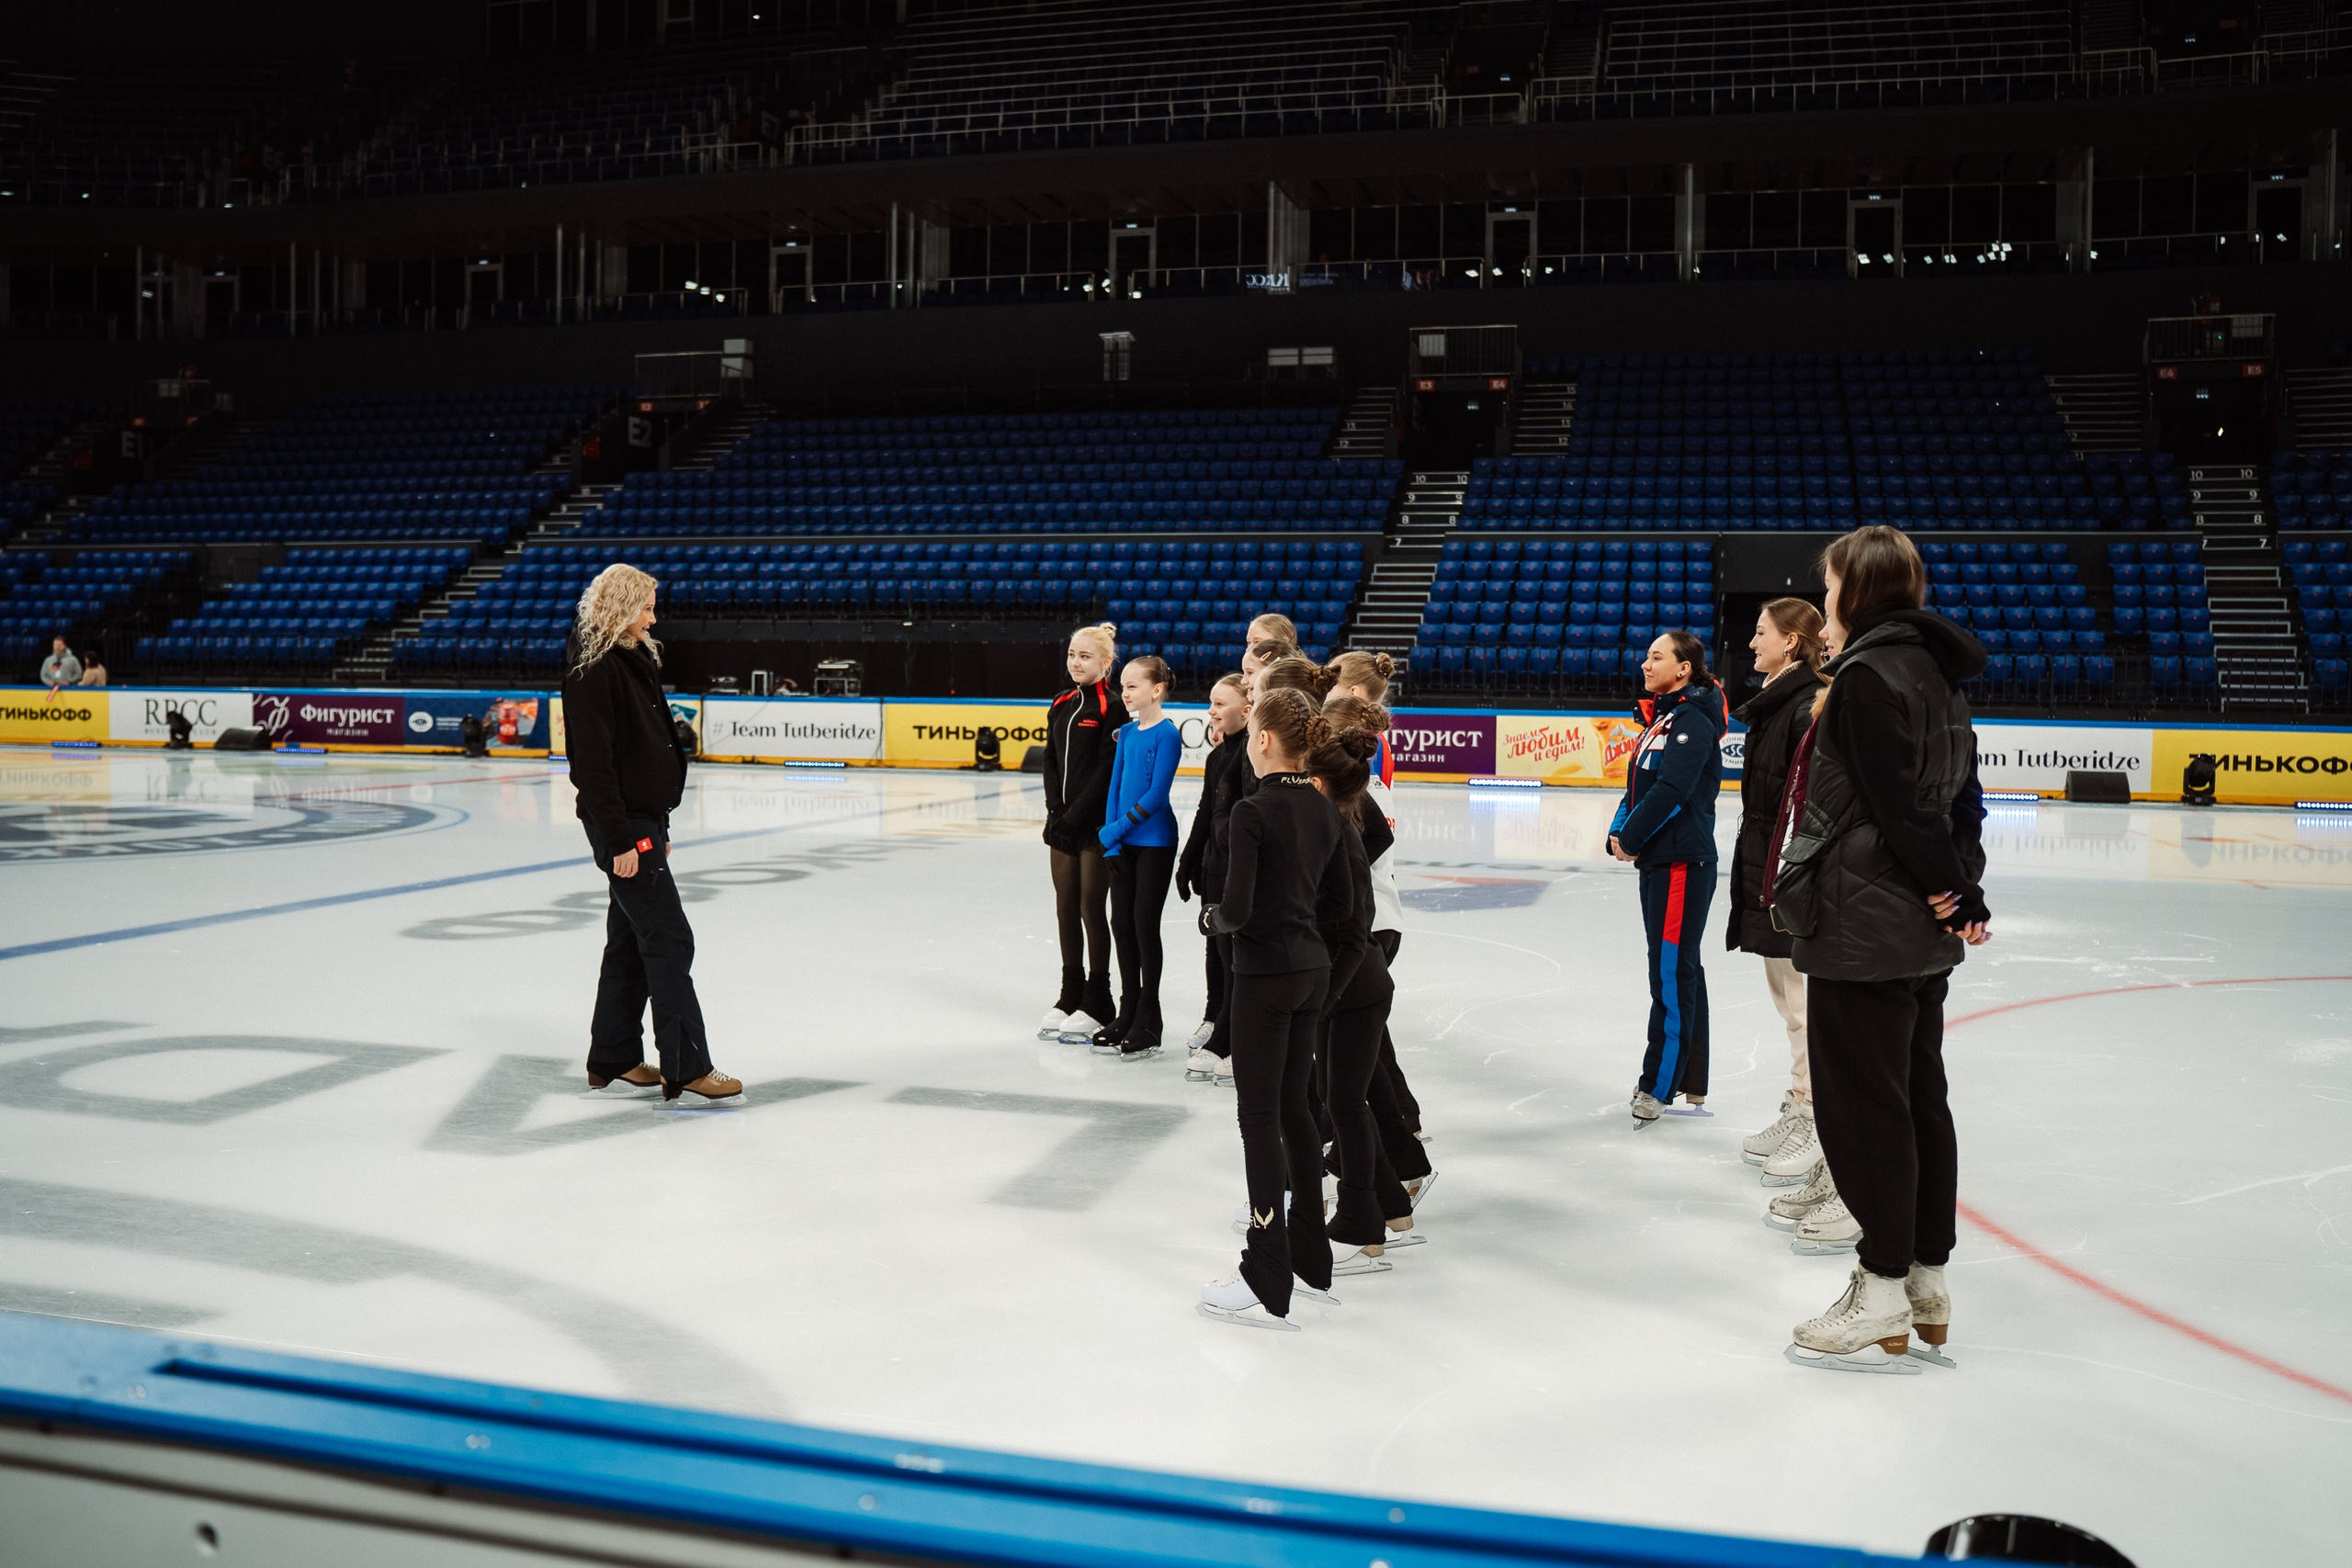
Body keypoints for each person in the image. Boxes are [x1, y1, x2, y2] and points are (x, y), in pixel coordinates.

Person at [1772, 526, 1989, 1375]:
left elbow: (1900, 807)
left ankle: (1883, 1283)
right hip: (1915, 926)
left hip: (1865, 922)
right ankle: (1926, 1280)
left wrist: (1949, 885)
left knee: (1865, 1109)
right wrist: (1958, 887)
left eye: (1828, 590)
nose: (1824, 604)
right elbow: (1961, 796)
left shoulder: (1865, 676)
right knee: (1918, 1097)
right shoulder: (1935, 668)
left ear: (1853, 592)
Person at [1196, 686, 1353, 1330]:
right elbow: (1342, 906)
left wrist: (1211, 918)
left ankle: (1264, 1269)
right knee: (1295, 1110)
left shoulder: (1253, 812)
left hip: (1263, 976)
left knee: (1260, 1118)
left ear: (1262, 739)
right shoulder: (1325, 808)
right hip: (1312, 972)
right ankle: (1311, 1257)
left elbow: (1232, 910)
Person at [561, 564, 741, 1103]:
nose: (653, 617)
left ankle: (612, 1055)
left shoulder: (634, 656)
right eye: (646, 607)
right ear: (620, 607)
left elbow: (649, 749)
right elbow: (592, 767)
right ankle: (686, 1066)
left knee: (628, 942)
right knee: (668, 937)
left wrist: (657, 823)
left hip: (643, 821)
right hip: (622, 826)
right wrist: (620, 840)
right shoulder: (593, 669)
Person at [1306, 720, 1417, 1277]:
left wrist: (1324, 995)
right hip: (1357, 981)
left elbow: (1351, 931)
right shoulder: (1339, 821)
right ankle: (1392, 1206)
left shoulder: (1340, 834)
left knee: (1343, 1103)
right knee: (1340, 1097)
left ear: (1323, 782)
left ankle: (1360, 1227)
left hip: (1355, 985)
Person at [1728, 600, 1829, 1183]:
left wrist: (1790, 879)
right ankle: (1800, 1102)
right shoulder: (1775, 705)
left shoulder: (1801, 706)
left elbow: (1807, 806)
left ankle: (1817, 1116)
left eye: (1760, 632)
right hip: (1764, 869)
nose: (1751, 643)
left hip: (1786, 875)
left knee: (1804, 1005)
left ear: (1792, 642)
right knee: (1786, 1001)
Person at [1608, 630, 1726, 1123]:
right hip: (1659, 861)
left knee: (1672, 972)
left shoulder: (1692, 721)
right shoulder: (1661, 720)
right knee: (1678, 969)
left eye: (1657, 657)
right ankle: (1690, 1081)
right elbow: (1639, 787)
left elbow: (1673, 790)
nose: (1644, 663)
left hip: (1681, 862)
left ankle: (1657, 1085)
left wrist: (1631, 839)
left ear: (1683, 668)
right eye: (1646, 656)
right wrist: (1618, 832)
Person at [1325, 691, 1432, 1200]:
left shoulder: (1360, 792)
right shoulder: (1365, 786)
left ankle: (1392, 1158)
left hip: (1370, 928)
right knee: (1364, 1054)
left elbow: (1371, 846)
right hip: (1372, 924)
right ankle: (1397, 1146)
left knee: (1358, 1063)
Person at [1039, 624, 1127, 1043]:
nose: (1076, 662)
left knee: (1093, 908)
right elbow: (1050, 760)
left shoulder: (1112, 707)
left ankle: (1099, 995)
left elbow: (1106, 770)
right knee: (1065, 908)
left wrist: (1075, 815)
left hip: (1093, 826)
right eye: (1072, 654)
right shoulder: (1059, 702)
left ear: (1106, 663)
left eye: (1086, 657)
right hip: (1062, 823)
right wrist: (1055, 811)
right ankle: (1069, 992)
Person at [1094, 655, 1182, 1059]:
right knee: (1121, 923)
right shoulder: (1127, 734)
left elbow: (1156, 794)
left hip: (1155, 844)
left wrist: (1115, 830)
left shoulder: (1167, 734)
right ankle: (1127, 1010)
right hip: (1123, 843)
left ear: (1156, 690)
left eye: (1132, 686)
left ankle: (1149, 1015)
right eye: (1123, 686)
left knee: (1144, 924)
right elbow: (1115, 787)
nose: (1124, 692)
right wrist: (1111, 841)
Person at [1175, 671, 1250, 1080]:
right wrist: (1189, 860)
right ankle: (1218, 1018)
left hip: (1236, 868)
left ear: (1247, 708)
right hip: (1213, 866)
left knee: (1233, 954)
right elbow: (1206, 811)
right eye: (1211, 702)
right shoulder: (1216, 755)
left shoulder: (1249, 755)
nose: (1211, 711)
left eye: (1220, 704)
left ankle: (1230, 1034)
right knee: (1217, 953)